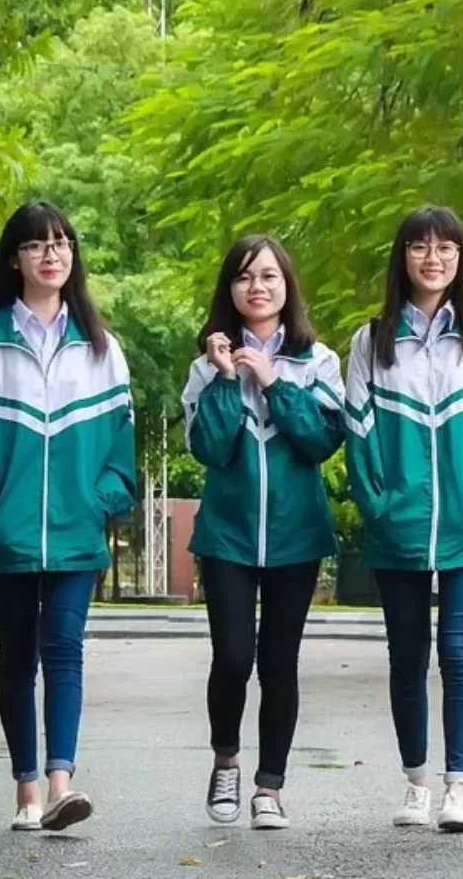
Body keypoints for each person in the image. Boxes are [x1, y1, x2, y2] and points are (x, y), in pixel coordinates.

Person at [0, 202, 135, 833]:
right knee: (16, 659)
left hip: (76, 533)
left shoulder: (102, 347)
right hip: (10, 534)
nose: (51, 254)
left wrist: (98, 501)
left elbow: (121, 445)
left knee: (64, 651)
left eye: (61, 243)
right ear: (15, 258)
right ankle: (25, 788)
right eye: (36, 245)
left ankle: (61, 785)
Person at [344, 206, 463, 833]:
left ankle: (457, 789)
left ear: (461, 259)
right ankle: (416, 784)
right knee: (407, 659)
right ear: (403, 257)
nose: (433, 258)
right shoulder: (371, 341)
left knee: (461, 656)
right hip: (400, 526)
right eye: (419, 246)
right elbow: (358, 434)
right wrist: (380, 505)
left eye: (446, 247)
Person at [183, 235, 345, 831]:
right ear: (230, 289)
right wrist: (227, 379)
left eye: (269, 276)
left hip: (296, 535)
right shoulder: (205, 366)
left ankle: (269, 786)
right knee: (232, 657)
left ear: (286, 286)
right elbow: (208, 448)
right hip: (226, 536)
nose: (258, 287)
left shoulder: (318, 361)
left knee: (279, 662)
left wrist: (275, 383)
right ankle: (226, 760)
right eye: (246, 277)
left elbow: (322, 441)